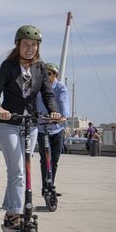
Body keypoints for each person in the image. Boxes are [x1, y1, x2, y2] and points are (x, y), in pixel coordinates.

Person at [0, 25, 61, 229]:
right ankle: (15, 214)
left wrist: (54, 111)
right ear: (18, 45)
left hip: (30, 124)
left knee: (21, 170)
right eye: (26, 44)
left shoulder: (40, 68)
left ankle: (11, 210)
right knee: (18, 170)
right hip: (8, 124)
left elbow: (47, 94)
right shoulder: (8, 66)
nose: (30, 48)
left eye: (34, 45)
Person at [36, 62, 69, 190]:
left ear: (55, 75)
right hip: (42, 127)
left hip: (57, 128)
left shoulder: (60, 87)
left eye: (49, 74)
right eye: (44, 74)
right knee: (45, 159)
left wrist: (63, 116)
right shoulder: (39, 88)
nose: (46, 76)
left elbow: (63, 101)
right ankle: (45, 187)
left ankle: (51, 184)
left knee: (54, 160)